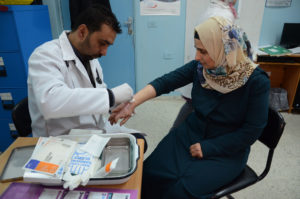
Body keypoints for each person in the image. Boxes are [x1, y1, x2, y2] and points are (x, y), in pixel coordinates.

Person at [109, 16, 270, 198]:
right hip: (190, 134)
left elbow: (251, 131)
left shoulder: (256, 81)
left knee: (180, 190)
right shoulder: (201, 69)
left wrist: (209, 148)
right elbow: (165, 82)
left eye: (203, 51)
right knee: (150, 174)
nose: (197, 57)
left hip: (226, 150)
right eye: (196, 49)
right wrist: (131, 104)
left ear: (224, 49)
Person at [28, 5, 134, 137]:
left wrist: (116, 105)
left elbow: (97, 91)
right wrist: (111, 97)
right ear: (82, 32)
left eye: (108, 46)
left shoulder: (90, 57)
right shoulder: (45, 55)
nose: (104, 52)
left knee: (138, 141)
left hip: (91, 132)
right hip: (60, 141)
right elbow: (50, 102)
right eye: (102, 43)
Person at [174, 0, 239, 129]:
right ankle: (174, 136)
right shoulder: (221, 14)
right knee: (195, 104)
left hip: (211, 67)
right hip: (210, 68)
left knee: (196, 105)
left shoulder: (216, 10)